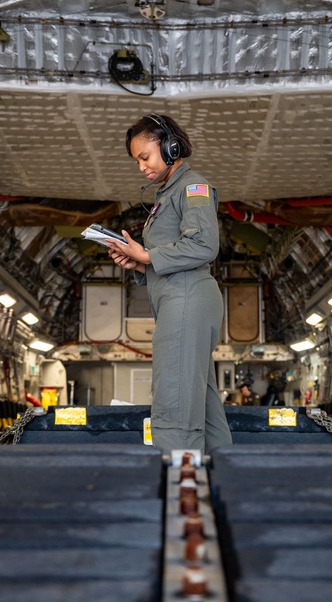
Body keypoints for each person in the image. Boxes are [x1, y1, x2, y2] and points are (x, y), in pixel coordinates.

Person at [106, 114, 233, 454]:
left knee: (174, 398)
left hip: (187, 296)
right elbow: (171, 252)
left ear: (170, 146)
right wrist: (138, 261)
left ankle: (180, 488)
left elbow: (204, 245)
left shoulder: (194, 188)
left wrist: (147, 257)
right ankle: (228, 475)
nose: (141, 167)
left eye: (144, 157)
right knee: (200, 403)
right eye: (137, 161)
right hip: (178, 297)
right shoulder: (170, 192)